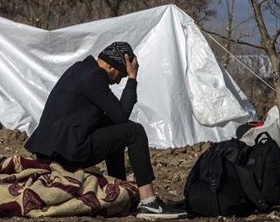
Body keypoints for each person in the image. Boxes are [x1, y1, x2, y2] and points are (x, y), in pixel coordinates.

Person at [24, 42, 188, 219]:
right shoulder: (94, 76)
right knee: (135, 132)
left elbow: (115, 120)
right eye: (121, 74)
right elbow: (121, 115)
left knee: (119, 131)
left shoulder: (82, 70)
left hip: (56, 148)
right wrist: (133, 78)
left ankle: (121, 192)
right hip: (65, 151)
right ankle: (149, 202)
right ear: (110, 65)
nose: (119, 80)